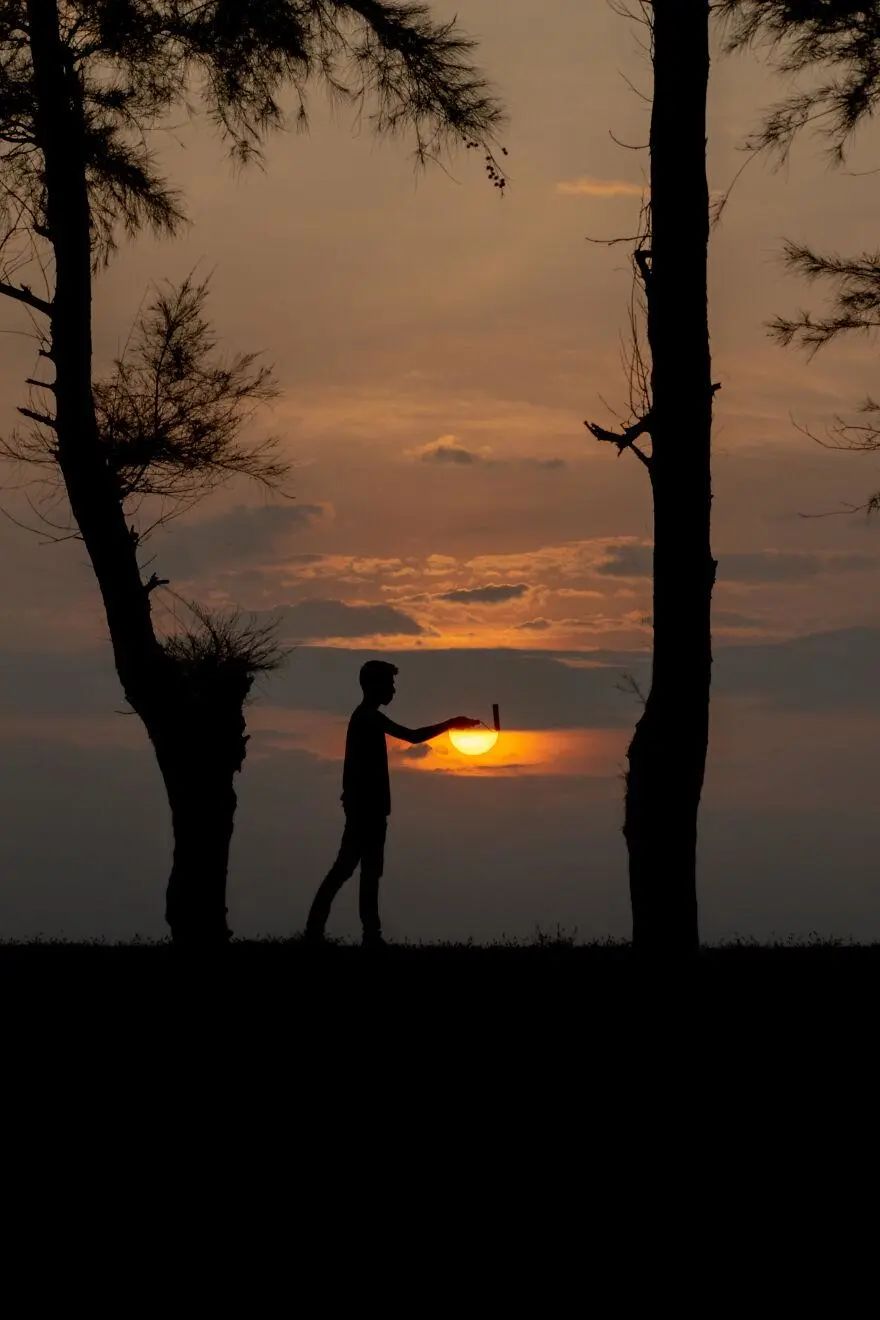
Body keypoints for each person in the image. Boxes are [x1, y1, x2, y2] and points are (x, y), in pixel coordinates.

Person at [304, 659, 480, 949]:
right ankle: (331, 932)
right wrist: (450, 724)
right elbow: (412, 736)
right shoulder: (367, 718)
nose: (394, 690)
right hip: (365, 809)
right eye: (390, 684)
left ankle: (363, 934)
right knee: (350, 868)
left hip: (369, 808)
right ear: (375, 686)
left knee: (363, 870)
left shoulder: (366, 717)